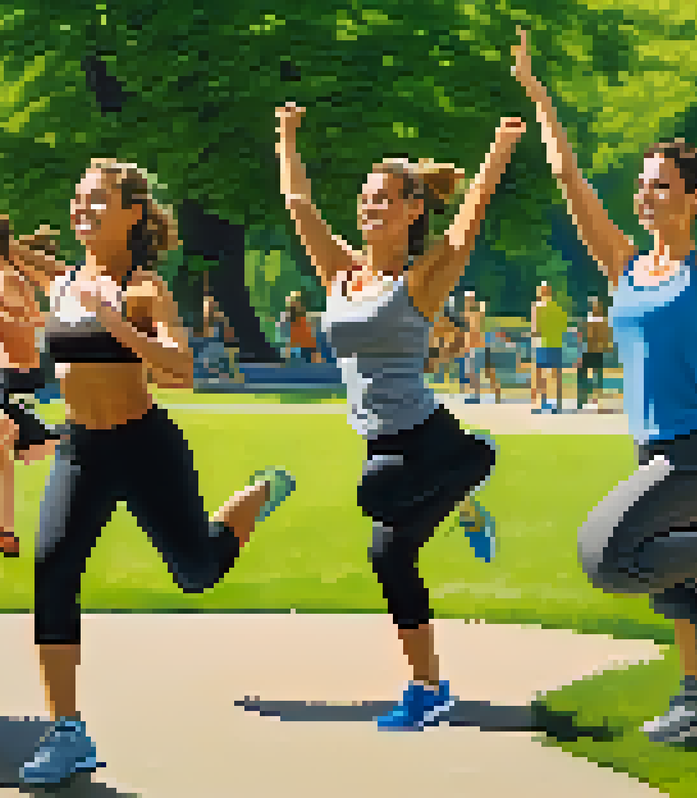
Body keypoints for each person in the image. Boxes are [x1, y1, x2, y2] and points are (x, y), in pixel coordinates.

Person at [517, 31, 697, 744]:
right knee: (671, 577)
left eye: (660, 184)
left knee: (605, 556)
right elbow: (570, 180)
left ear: (695, 198)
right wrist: (540, 98)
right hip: (659, 447)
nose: (644, 193)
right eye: (640, 184)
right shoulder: (625, 267)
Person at [5, 158, 297, 785]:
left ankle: (255, 497)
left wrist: (115, 323)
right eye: (78, 200)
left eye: (97, 201)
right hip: (82, 449)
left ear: (132, 212)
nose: (82, 210)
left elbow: (179, 370)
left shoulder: (143, 288)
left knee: (197, 571)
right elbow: (54, 346)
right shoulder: (64, 281)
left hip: (144, 446)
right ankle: (66, 730)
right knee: (52, 570)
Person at [280, 99, 521, 730]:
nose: (368, 206)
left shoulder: (418, 283)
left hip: (424, 441)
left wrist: (498, 149)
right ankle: (430, 686)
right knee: (391, 556)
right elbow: (300, 207)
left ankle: (474, 462)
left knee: (376, 503)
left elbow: (467, 228)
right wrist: (286, 134)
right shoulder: (339, 273)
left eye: (383, 198)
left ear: (413, 210)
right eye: (364, 197)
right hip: (381, 441)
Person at [0, 216, 67, 556]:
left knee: (0, 449)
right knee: (6, 451)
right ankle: (3, 531)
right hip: (12, 374)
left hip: (20, 376)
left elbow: (31, 323)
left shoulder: (6, 278)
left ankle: (87, 440)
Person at [530, 282, 570, 413]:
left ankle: (543, 402)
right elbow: (564, 327)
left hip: (543, 343)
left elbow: (535, 329)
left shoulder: (537, 307)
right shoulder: (558, 307)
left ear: (539, 292)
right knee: (557, 374)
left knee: (540, 374)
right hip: (556, 343)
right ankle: (558, 402)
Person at [461, 292, 502, 404]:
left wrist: (468, 345)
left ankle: (477, 395)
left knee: (475, 373)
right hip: (478, 347)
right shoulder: (471, 314)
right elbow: (469, 332)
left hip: (477, 347)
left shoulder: (475, 314)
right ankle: (495, 393)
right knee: (484, 372)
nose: (467, 302)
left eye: (468, 300)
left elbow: (473, 331)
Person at [578, 295, 613, 411]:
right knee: (596, 377)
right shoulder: (602, 320)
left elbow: (585, 336)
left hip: (591, 351)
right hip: (595, 351)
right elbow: (606, 337)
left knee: (588, 376)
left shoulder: (592, 320)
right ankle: (593, 400)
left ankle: (585, 400)